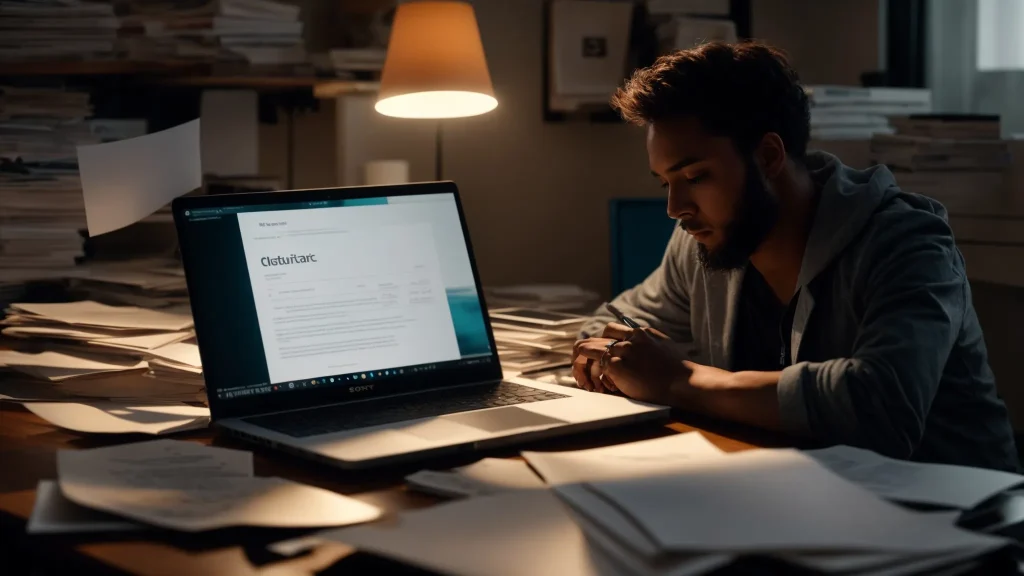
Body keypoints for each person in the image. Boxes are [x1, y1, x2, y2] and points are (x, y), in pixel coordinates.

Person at [572, 41, 1019, 471]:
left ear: (768, 156)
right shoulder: (704, 240)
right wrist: (619, 359)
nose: (675, 208)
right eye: (665, 183)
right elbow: (610, 324)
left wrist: (680, 380)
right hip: (803, 492)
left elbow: (882, 405)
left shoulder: (905, 241)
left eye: (696, 176)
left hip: (959, 509)